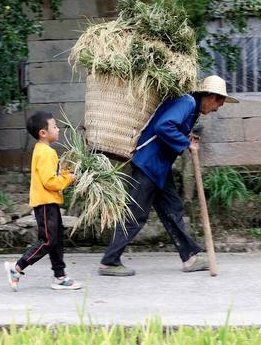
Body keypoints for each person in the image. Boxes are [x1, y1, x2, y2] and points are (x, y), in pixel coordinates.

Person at [99, 75, 239, 276]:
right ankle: (109, 262)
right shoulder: (187, 102)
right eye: (219, 102)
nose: (218, 108)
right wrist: (186, 143)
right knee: (136, 214)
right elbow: (164, 126)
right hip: (148, 164)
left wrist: (185, 137)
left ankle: (190, 256)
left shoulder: (192, 110)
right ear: (209, 96)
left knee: (173, 209)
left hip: (160, 168)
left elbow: (171, 127)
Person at [4, 111, 82, 291]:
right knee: (48, 240)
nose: (58, 129)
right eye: (54, 126)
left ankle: (60, 276)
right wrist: (69, 179)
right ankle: (17, 267)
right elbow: (50, 181)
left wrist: (67, 172)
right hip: (46, 203)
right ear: (43, 133)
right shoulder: (47, 152)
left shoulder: (42, 150)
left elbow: (53, 174)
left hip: (48, 202)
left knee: (56, 240)